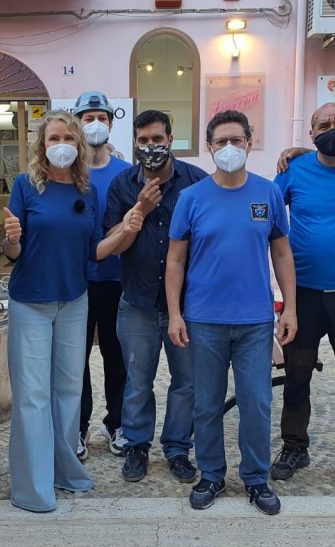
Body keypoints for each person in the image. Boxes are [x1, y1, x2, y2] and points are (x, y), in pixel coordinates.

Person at [1, 109, 142, 512]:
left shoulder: (86, 190)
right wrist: (12, 239)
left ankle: (64, 469)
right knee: (33, 396)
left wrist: (126, 229)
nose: (61, 145)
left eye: (68, 138)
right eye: (53, 138)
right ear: (41, 145)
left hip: (75, 301)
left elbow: (93, 251)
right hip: (31, 302)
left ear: (78, 145)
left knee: (68, 391)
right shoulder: (25, 186)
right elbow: (13, 253)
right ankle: (32, 487)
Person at [166, 110, 297, 515]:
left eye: (236, 140)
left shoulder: (267, 193)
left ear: (249, 142)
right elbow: (175, 260)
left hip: (255, 320)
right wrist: (175, 313)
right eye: (220, 141)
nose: (228, 148)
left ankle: (256, 478)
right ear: (209, 147)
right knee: (206, 403)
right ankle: (211, 474)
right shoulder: (191, 198)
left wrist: (289, 308)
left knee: (256, 402)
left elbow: (281, 253)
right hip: (203, 319)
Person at [269, 103, 335, 491]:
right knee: (296, 377)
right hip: (303, 298)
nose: (333, 129)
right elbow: (265, 215)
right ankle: (294, 447)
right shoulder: (294, 169)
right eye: (324, 125)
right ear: (311, 134)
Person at [102, 109, 207, 485]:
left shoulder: (196, 182)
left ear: (170, 139)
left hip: (187, 306)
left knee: (187, 382)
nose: (151, 147)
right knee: (137, 380)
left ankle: (177, 447)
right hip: (138, 302)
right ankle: (137, 445)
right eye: (143, 141)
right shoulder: (122, 184)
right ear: (134, 142)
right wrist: (140, 210)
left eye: (157, 139)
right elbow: (111, 242)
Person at [73, 90, 132, 459]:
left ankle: (117, 423)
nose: (95, 124)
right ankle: (77, 426)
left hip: (116, 278)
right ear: (78, 123)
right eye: (88, 118)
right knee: (75, 359)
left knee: (116, 355)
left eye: (102, 118)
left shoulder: (125, 172)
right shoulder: (68, 172)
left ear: (111, 123)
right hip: (77, 280)